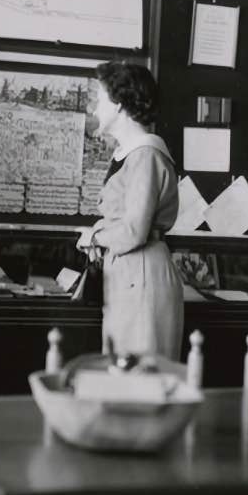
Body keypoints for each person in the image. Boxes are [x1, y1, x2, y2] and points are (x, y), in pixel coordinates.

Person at [77, 60, 184, 360]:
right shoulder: (132, 153)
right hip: (129, 274)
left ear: (120, 104)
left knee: (141, 374)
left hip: (142, 275)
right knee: (123, 370)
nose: (94, 109)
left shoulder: (146, 154)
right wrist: (99, 232)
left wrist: (95, 237)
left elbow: (134, 231)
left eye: (99, 100)